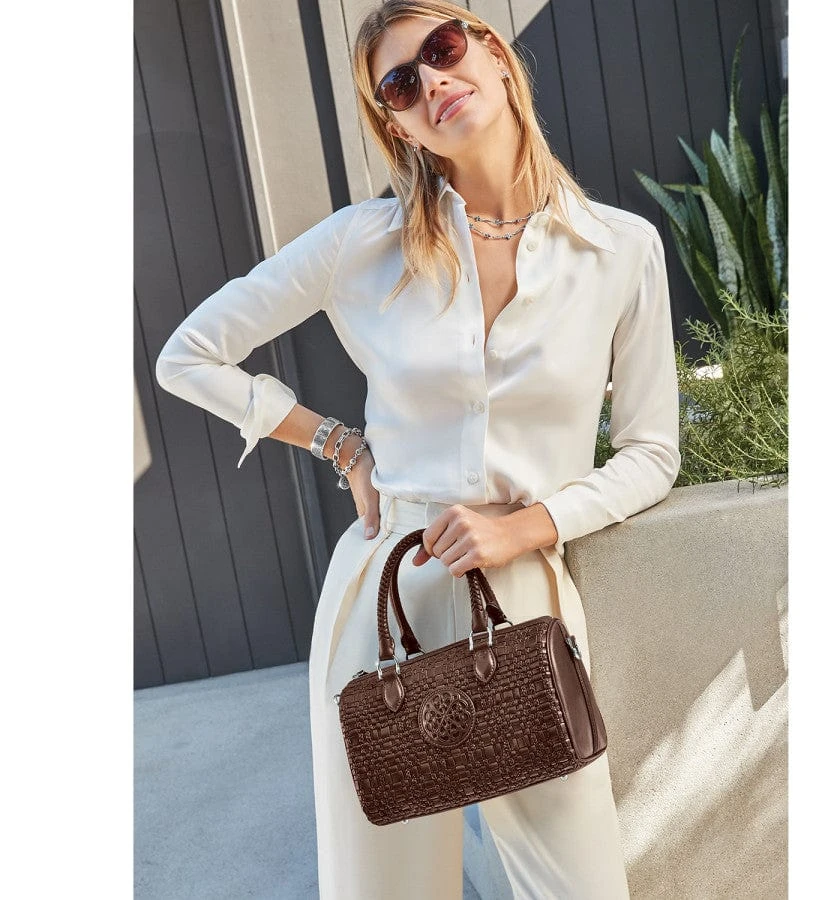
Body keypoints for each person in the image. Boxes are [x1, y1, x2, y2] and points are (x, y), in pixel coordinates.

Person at [155, 1, 681, 896]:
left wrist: (530, 526)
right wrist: (340, 446)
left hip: (523, 591)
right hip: (383, 590)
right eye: (400, 84)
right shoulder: (362, 244)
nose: (432, 81)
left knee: (580, 883)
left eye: (443, 50)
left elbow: (651, 451)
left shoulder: (619, 249)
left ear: (495, 54)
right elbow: (188, 355)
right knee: (384, 886)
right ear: (397, 124)